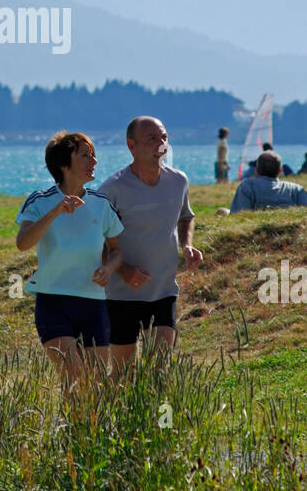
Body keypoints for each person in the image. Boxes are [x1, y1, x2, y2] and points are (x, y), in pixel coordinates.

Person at [16, 131, 123, 389]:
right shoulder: (40, 201)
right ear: (64, 164)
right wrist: (56, 212)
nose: (93, 161)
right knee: (74, 375)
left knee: (93, 382)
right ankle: (71, 428)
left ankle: (80, 430)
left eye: (94, 156)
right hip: (53, 303)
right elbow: (23, 243)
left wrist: (108, 268)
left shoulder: (101, 203)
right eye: (85, 156)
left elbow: (117, 250)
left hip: (94, 305)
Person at [98, 116, 202, 373]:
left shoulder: (178, 181)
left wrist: (187, 245)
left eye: (164, 137)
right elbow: (95, 241)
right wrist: (124, 270)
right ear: (132, 146)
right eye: (152, 138)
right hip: (121, 294)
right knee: (123, 374)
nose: (161, 143)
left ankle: (157, 413)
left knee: (158, 369)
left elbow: (186, 216)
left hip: (163, 289)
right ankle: (111, 412)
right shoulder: (113, 189)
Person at [230, 151, 307, 213]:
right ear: (280, 170)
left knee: (222, 211)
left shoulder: (247, 186)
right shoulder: (295, 189)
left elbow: (238, 215)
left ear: (257, 170)